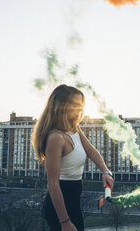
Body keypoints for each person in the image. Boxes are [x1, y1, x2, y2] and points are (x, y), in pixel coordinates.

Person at [32, 84, 114, 231]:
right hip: (59, 207)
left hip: (73, 199)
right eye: (75, 106)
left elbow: (90, 149)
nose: (80, 111)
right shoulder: (55, 138)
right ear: (61, 106)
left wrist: (105, 171)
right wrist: (64, 222)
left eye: (81, 106)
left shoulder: (73, 127)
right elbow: (53, 184)